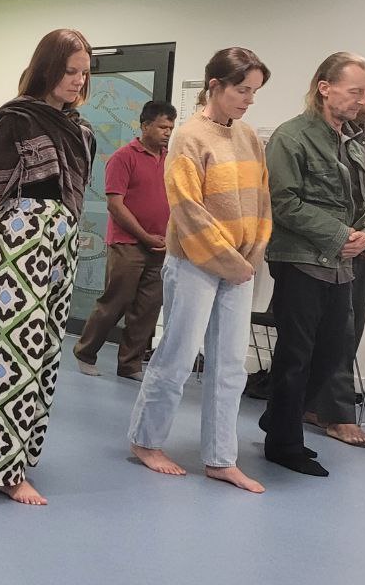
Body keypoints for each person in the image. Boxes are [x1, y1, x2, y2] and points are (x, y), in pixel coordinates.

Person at [127, 48, 272, 494]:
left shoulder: (248, 137)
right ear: (215, 86)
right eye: (242, 90)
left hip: (240, 268)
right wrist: (230, 260)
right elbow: (187, 209)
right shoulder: (189, 137)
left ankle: (221, 458)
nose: (249, 100)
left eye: (254, 92)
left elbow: (262, 200)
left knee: (230, 365)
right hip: (193, 263)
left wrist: (250, 258)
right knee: (177, 354)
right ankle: (146, 441)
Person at [0, 28, 96, 506]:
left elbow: (74, 191)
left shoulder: (80, 128)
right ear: (47, 68)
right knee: (13, 350)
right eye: (70, 71)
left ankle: (23, 456)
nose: (78, 80)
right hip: (20, 235)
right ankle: (3, 468)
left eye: (84, 73)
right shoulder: (15, 119)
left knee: (44, 352)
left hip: (62, 237)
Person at [261, 52, 365, 477]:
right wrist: (341, 235)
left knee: (331, 354)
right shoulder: (291, 137)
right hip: (300, 261)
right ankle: (284, 444)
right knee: (296, 356)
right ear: (325, 88)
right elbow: (284, 202)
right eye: (355, 92)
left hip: (341, 265)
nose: (362, 101)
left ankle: (278, 419)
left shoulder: (352, 141)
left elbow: (364, 200)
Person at [304, 66, 365, 446]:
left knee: (350, 328)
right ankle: (331, 412)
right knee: (328, 329)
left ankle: (323, 407)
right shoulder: (313, 133)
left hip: (363, 246)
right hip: (323, 248)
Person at [75, 100, 176, 381]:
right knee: (116, 301)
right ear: (145, 126)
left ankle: (130, 364)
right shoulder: (123, 157)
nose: (167, 133)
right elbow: (115, 205)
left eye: (171, 128)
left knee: (147, 308)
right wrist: (145, 236)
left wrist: (167, 238)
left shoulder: (172, 160)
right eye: (162, 127)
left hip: (161, 245)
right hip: (127, 243)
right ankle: (85, 352)